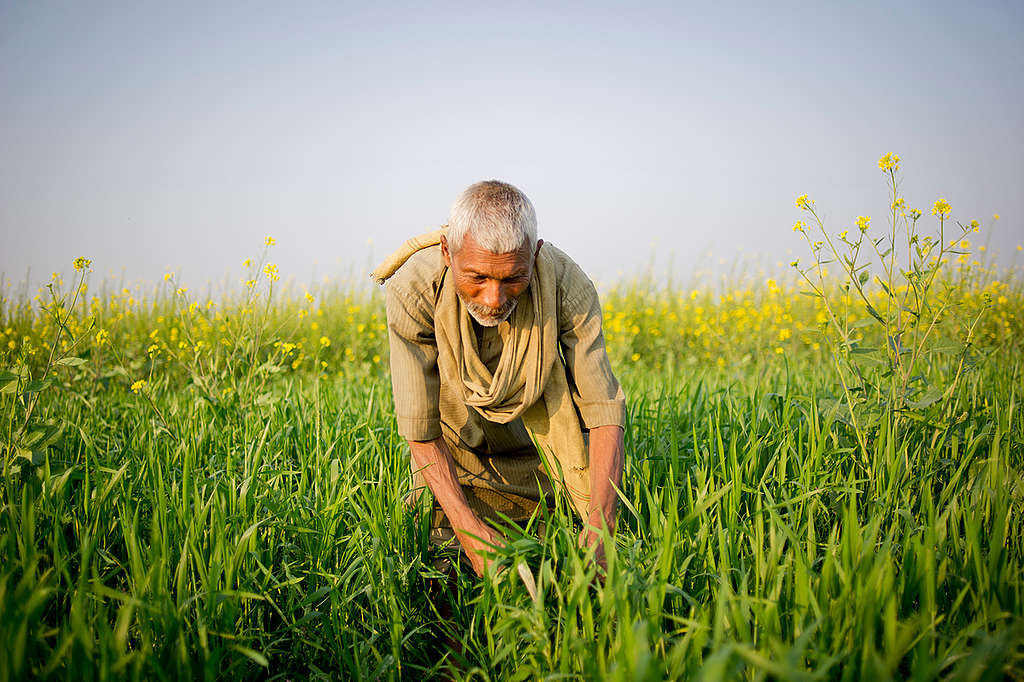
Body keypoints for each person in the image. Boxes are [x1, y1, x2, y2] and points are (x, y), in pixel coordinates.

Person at [371, 180, 626, 577]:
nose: (494, 299)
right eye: (477, 278)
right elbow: (419, 427)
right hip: (456, 466)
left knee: (569, 570)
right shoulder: (415, 290)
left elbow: (603, 408)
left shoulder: (564, 283)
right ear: (446, 253)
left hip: (546, 463)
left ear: (535, 255)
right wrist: (470, 531)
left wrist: (601, 524)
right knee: (443, 573)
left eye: (512, 279)